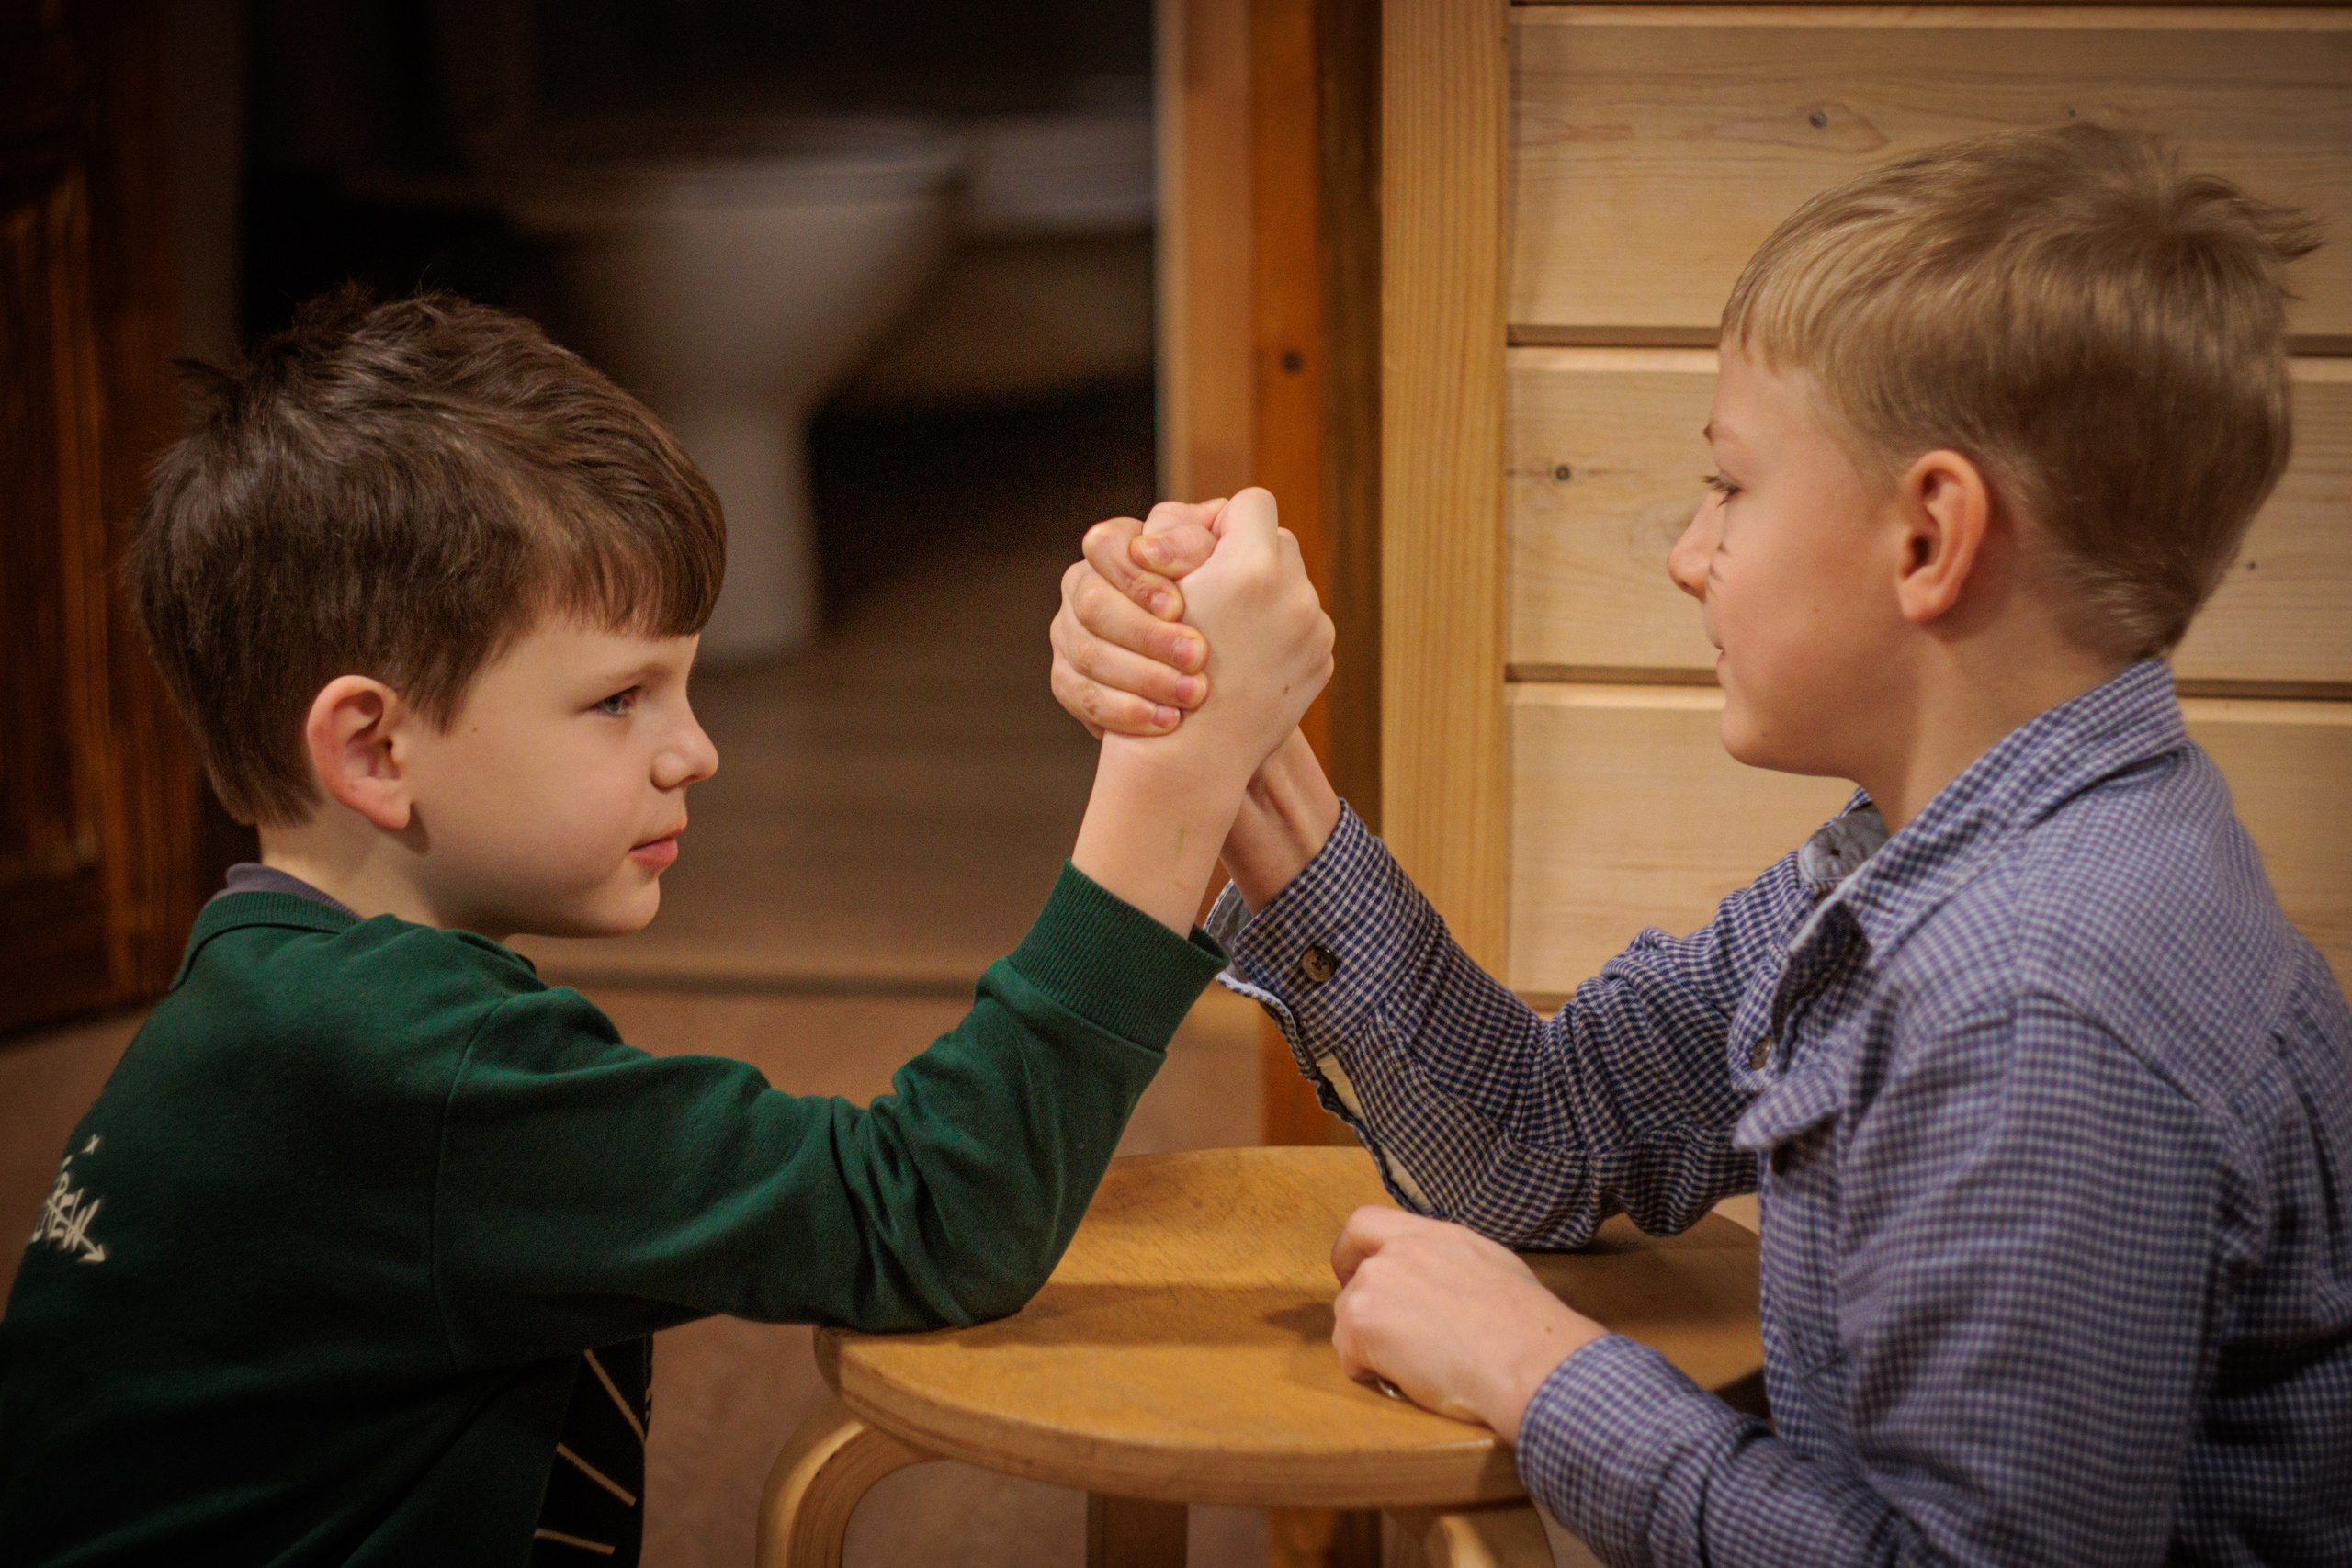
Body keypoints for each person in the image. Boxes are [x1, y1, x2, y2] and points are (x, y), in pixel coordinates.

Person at [1050, 125, 2352, 1564]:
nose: (1688, 553)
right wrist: (1235, 744)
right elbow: (1538, 1132)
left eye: (1731, 484)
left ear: (1930, 537)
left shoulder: (2036, 1012)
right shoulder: (1936, 860)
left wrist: (1542, 1372)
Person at [0, 289, 1332, 1565]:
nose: (694, 751)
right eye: (618, 699)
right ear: (373, 748)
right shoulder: (409, 1067)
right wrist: (1174, 783)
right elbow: (927, 1217)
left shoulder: (269, 1001)